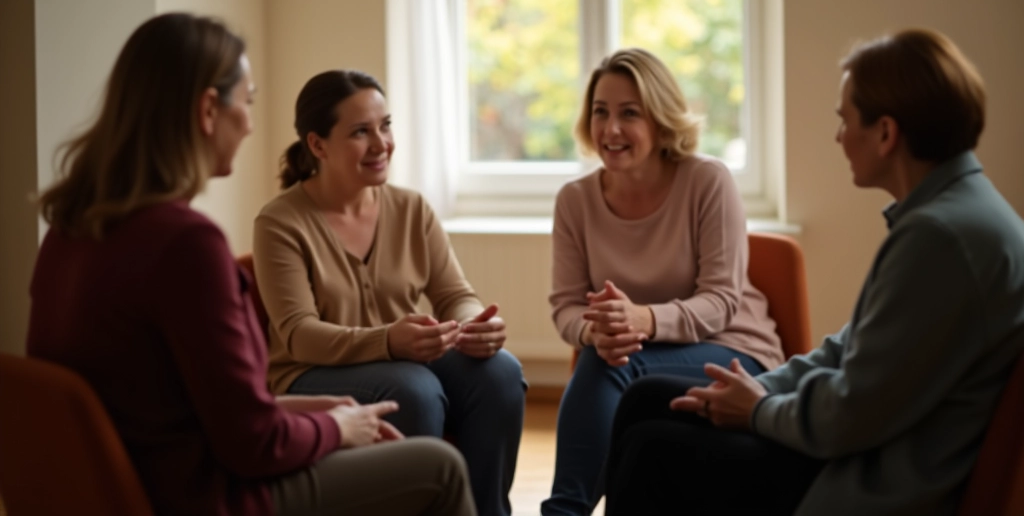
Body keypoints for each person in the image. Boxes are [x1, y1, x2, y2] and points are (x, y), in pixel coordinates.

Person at [27, 13, 476, 516]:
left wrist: (313, 411)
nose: (250, 122)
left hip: (140, 479)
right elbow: (252, 444)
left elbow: (176, 408)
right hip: (208, 495)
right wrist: (336, 429)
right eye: (248, 101)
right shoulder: (186, 245)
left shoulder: (68, 232)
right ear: (207, 111)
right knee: (439, 467)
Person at [604, 29, 1024, 516]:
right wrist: (767, 387)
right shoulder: (954, 212)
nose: (839, 136)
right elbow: (851, 348)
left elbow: (852, 415)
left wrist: (759, 410)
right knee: (648, 396)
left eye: (845, 121)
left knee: (655, 449)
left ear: (886, 134)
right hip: (858, 439)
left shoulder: (940, 238)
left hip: (870, 473)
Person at [253, 69, 526, 516]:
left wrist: (476, 322)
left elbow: (454, 293)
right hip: (312, 370)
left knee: (499, 371)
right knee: (412, 389)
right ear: (317, 145)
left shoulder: (412, 208)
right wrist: (386, 341)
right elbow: (299, 334)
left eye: (385, 125)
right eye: (361, 132)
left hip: (403, 356)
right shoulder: (280, 223)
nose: (381, 143)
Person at [542, 48, 785, 515]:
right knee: (610, 365)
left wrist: (643, 320)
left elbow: (722, 301)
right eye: (600, 112)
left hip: (733, 350)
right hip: (631, 358)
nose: (610, 129)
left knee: (611, 366)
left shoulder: (707, 181)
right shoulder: (574, 200)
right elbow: (566, 307)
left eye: (629, 113)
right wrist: (599, 331)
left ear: (660, 120)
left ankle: (562, 511)